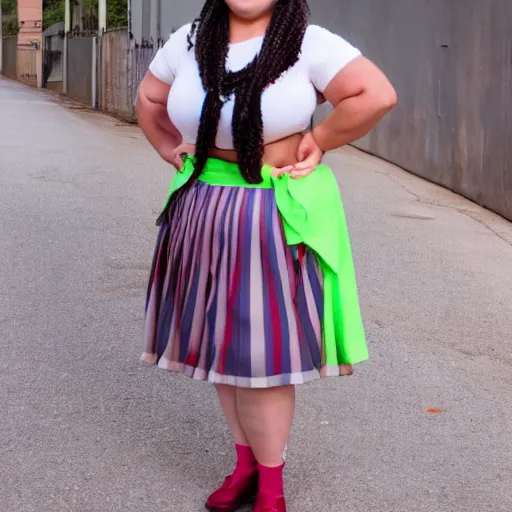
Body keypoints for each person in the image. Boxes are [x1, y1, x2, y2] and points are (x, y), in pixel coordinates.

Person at [137, 0, 397, 510]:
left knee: (261, 354)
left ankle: (271, 486)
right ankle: (245, 467)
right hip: (203, 205)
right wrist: (170, 148)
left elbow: (375, 95)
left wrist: (321, 139)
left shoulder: (308, 41)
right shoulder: (191, 39)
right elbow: (149, 98)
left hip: (271, 208)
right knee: (223, 346)